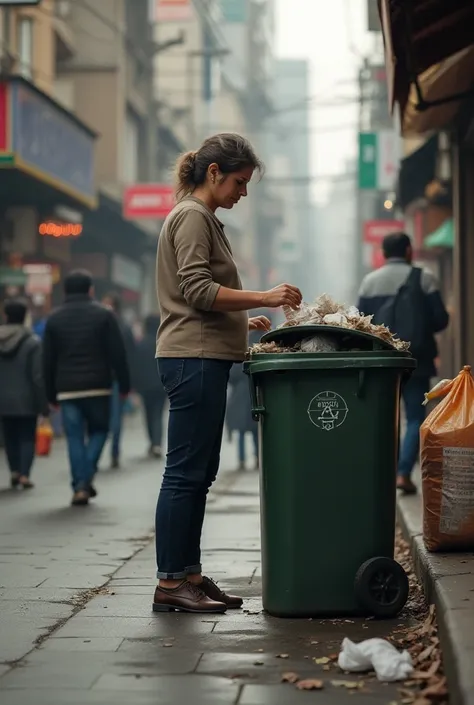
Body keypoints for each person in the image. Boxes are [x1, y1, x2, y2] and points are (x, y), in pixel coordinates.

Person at [153, 133, 302, 614]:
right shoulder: (193, 216)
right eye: (239, 182)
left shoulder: (205, 218)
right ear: (213, 173)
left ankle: (189, 574)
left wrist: (242, 318)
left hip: (203, 355)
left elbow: (203, 295)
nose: (243, 193)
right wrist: (263, 297)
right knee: (184, 475)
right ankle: (172, 583)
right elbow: (196, 290)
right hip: (192, 359)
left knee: (198, 474)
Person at [357, 232, 449, 495]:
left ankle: (381, 474)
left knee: (383, 417)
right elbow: (440, 319)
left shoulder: (369, 282)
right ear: (409, 251)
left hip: (381, 360)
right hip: (415, 359)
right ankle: (403, 472)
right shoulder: (425, 278)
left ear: (384, 254)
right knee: (415, 417)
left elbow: (360, 323)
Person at [43, 270, 130, 506]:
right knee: (100, 431)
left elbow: (47, 360)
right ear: (91, 290)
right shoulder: (104, 316)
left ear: (65, 291)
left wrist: (50, 394)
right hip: (98, 386)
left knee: (73, 436)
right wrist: (124, 385)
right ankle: (85, 478)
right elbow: (118, 354)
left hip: (67, 388)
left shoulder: (54, 319)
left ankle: (81, 483)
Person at [0, 298, 49, 489]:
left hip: (3, 399)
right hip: (26, 399)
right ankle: (24, 474)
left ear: (6, 316)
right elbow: (37, 376)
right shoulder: (32, 342)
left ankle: (13, 471)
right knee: (26, 437)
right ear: (25, 317)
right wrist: (43, 405)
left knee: (9, 436)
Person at [102, 292, 137, 469]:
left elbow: (129, 356)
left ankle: (114, 451)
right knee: (110, 418)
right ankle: (109, 451)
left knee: (114, 418)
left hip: (112, 379)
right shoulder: (121, 326)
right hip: (102, 379)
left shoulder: (120, 326)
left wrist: (128, 383)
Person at [226, 329, 261, 470]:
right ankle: (258, 458)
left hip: (240, 395)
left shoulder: (242, 349)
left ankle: (241, 460)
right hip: (257, 394)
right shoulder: (264, 347)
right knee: (256, 430)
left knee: (241, 431)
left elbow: (232, 375)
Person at [134, 314, 166, 458]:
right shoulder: (163, 343)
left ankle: (152, 442)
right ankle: (157, 443)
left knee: (148, 414)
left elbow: (136, 367)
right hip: (161, 386)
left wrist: (135, 386)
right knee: (158, 415)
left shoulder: (140, 344)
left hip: (145, 387)